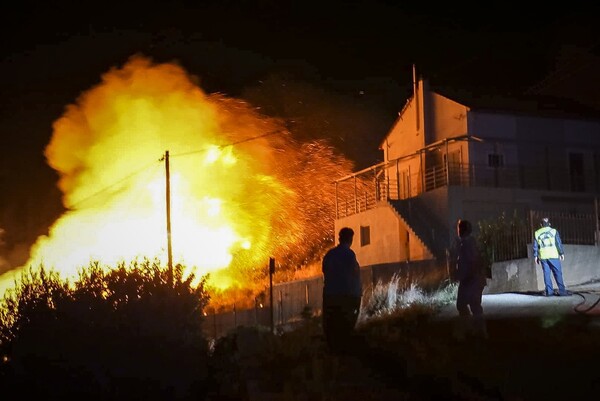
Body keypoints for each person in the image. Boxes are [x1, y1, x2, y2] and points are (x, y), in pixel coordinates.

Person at [321, 227, 362, 354]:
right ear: (350, 239)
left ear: (339, 238)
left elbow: (325, 271)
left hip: (330, 297)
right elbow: (355, 274)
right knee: (346, 329)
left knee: (331, 329)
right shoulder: (350, 255)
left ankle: (332, 354)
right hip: (347, 297)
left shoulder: (329, 255)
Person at [453, 219, 488, 341]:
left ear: (462, 230)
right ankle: (477, 331)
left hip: (471, 280)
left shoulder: (467, 244)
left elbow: (472, 262)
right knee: (472, 305)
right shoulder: (467, 243)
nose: (457, 230)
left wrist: (466, 276)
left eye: (459, 228)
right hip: (472, 279)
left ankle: (475, 331)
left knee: (467, 305)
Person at [533, 217, 569, 296]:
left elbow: (535, 245)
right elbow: (558, 243)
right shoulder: (554, 231)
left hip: (543, 256)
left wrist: (535, 256)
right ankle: (562, 291)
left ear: (541, 225)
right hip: (553, 255)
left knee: (546, 274)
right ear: (549, 224)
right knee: (558, 273)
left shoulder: (537, 233)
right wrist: (561, 253)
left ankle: (549, 292)